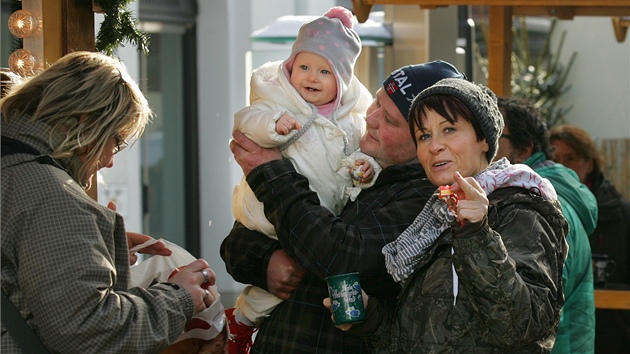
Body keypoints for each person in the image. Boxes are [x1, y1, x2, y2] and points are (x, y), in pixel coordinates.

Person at [222, 60, 466, 353]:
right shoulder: (353, 155)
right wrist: (266, 260)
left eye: (390, 120)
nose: (371, 117)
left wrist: (272, 174)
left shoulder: (427, 199)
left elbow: (344, 260)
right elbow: (237, 241)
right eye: (376, 101)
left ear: (422, 139)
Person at [326, 78, 569, 353]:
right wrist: (371, 320)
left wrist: (476, 234)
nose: (434, 146)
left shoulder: (520, 210)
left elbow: (523, 326)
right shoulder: (436, 216)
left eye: (449, 129)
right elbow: (429, 340)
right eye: (424, 136)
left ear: (484, 141)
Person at [1, 51, 220, 353]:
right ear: (82, 122)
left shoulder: (12, 170)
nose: (109, 162)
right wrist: (179, 297)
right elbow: (89, 331)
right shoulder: (52, 197)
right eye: (115, 141)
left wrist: (92, 245)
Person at [228, 6, 378, 340]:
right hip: (271, 214)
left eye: (325, 72)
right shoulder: (277, 101)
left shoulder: (353, 121)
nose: (311, 77)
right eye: (304, 66)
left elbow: (356, 159)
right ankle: (240, 322)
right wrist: (272, 125)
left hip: (320, 215)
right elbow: (245, 120)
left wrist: (365, 168)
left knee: (286, 279)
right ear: (290, 67)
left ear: (341, 82)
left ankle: (243, 323)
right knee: (275, 275)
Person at [496, 96, 597, 354]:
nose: (481, 140)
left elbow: (529, 318)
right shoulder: (543, 196)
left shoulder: (537, 204)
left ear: (524, 150)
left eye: (494, 131)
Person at [550, 124, 630, 353]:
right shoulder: (534, 214)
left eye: (571, 157)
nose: (562, 165)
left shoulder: (622, 215)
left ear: (590, 163)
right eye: (555, 158)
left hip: (613, 335)